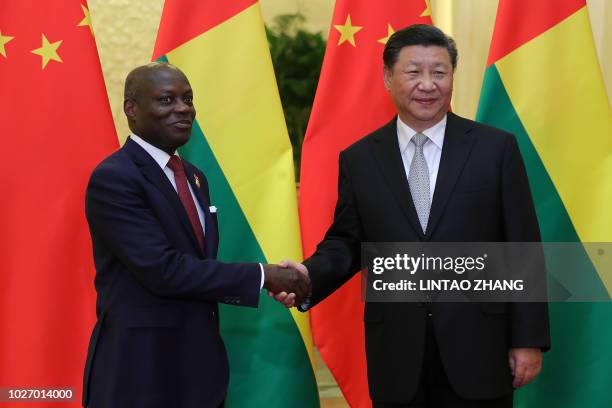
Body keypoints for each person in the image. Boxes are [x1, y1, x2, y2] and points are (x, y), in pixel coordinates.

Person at [279, 25, 550, 407]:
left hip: (478, 346)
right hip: (397, 352)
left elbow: (522, 248)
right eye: (414, 72)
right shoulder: (361, 159)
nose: (428, 84)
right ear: (388, 77)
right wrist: (307, 276)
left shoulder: (495, 149)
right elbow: (347, 242)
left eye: (439, 72)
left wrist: (527, 338)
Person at [82, 62, 309, 408]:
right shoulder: (115, 178)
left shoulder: (194, 176)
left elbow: (197, 265)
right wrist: (264, 275)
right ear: (131, 109)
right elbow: (164, 270)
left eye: (188, 99)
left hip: (198, 370)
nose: (182, 109)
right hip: (141, 369)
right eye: (166, 100)